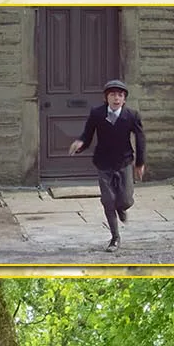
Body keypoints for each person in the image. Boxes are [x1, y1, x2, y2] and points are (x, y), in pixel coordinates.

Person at [68, 79, 145, 250]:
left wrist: (140, 163)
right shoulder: (97, 114)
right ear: (106, 98)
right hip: (103, 162)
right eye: (112, 95)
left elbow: (140, 140)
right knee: (108, 200)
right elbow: (87, 135)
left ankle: (122, 208)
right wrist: (80, 143)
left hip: (124, 161)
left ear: (124, 99)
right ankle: (115, 238)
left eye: (120, 95)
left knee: (125, 199)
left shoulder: (131, 116)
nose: (116, 98)